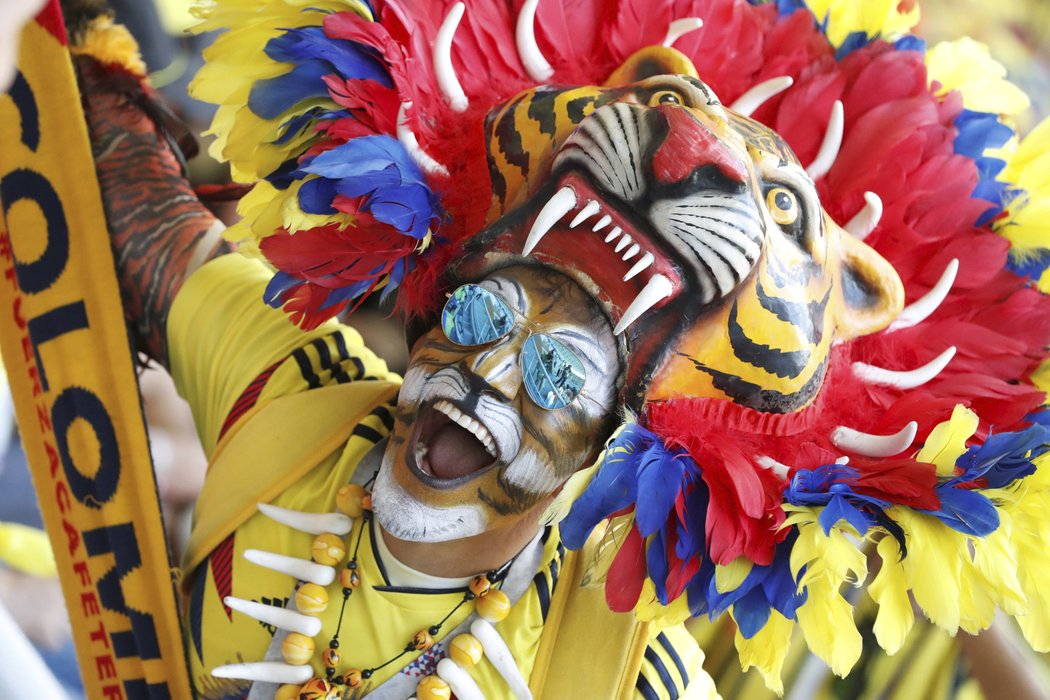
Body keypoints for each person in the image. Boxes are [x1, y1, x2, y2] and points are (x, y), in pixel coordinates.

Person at [62, 0, 1050, 699]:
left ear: (598, 452)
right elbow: (135, 214)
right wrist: (57, 43)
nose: (487, 370)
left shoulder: (628, 677)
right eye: (487, 317)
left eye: (554, 374)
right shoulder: (298, 394)